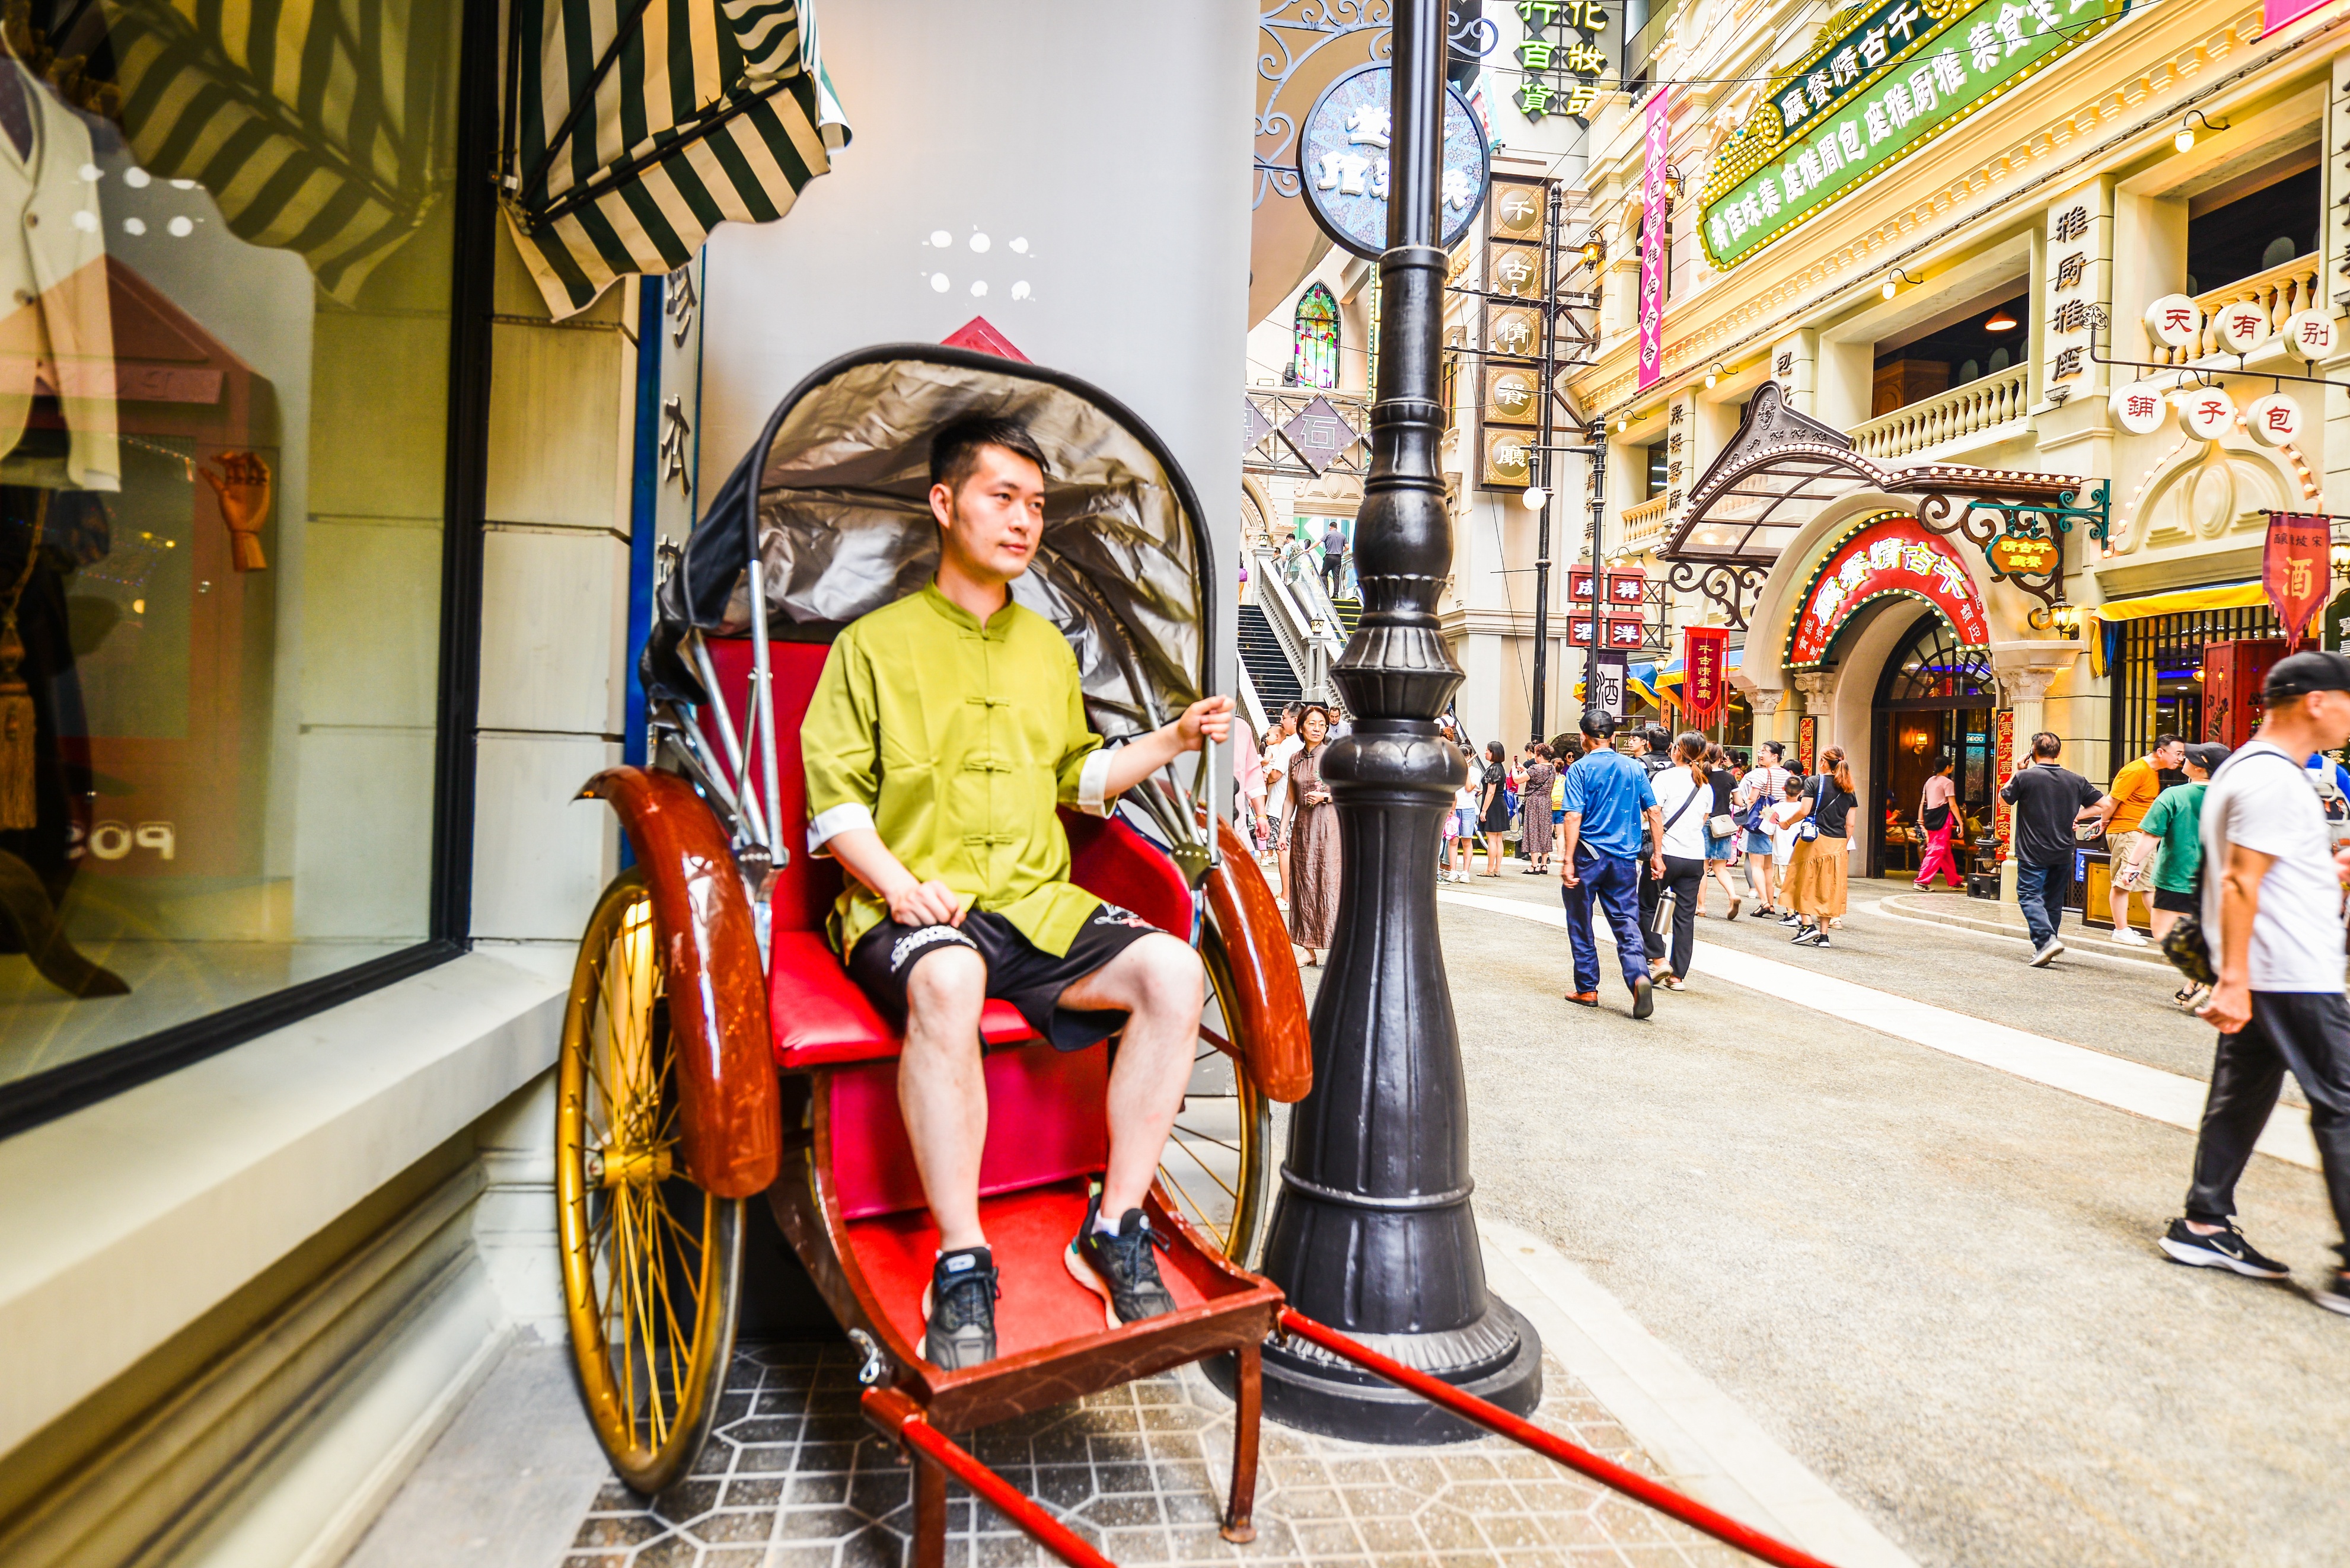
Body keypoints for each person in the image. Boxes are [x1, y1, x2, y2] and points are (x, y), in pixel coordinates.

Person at [802, 414, 1233, 1369]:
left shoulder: (1046, 650)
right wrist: (900, 887)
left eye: (1036, 504)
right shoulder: (869, 646)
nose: (1023, 520)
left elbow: (1077, 776)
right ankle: (962, 1259)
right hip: (915, 908)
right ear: (944, 503)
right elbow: (834, 808)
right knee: (949, 979)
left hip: (1034, 904)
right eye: (1002, 497)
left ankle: (1113, 1225)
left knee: (1171, 970)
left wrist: (1168, 738)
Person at [2160, 651, 2350, 1319]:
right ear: (2318, 701)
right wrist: (2235, 980)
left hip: (2273, 966)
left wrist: (2329, 870)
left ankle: (2204, 1224)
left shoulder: (2252, 768)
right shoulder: (2272, 778)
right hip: (2290, 970)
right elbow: (2242, 880)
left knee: (2241, 1095)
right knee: (2345, 1102)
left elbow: (2259, 871)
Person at [1560, 708, 1662, 1018]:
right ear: (1615, 736)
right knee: (1626, 921)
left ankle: (1587, 988)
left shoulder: (1579, 769)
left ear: (1583, 738)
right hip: (1624, 859)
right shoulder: (1634, 768)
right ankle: (1639, 976)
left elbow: (1573, 815)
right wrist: (1657, 854)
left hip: (1587, 856)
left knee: (1581, 920)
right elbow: (1655, 812)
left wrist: (1567, 860)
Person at [2123, 742, 2227, 1008]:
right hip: (2219, 880)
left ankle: (2206, 977)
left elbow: (2151, 835)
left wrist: (2132, 866)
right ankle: (2196, 984)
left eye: (2189, 757)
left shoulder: (2174, 795)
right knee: (2205, 931)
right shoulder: (2232, 797)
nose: (2183, 760)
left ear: (2200, 766)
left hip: (2177, 877)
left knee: (2164, 933)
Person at [1998, 731, 2105, 967]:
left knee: (2028, 896)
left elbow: (2003, 800)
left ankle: (2046, 941)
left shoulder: (2026, 778)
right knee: (2053, 901)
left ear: (2032, 752)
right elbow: (2105, 804)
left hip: (2033, 851)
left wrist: (2018, 772)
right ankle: (2047, 945)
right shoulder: (2075, 779)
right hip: (2064, 850)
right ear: (2058, 753)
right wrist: (2079, 814)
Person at [2086, 733, 2186, 946]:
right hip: (2128, 832)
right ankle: (2121, 930)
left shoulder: (2152, 771)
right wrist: (2103, 823)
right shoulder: (2136, 770)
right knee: (2124, 882)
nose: (2180, 759)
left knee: (2149, 885)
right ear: (2161, 752)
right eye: (2178, 754)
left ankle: (2168, 931)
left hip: (2140, 834)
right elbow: (2111, 800)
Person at [1647, 733, 1714, 990]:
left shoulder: (1664, 778)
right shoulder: (1704, 785)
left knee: (1647, 905)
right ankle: (1678, 976)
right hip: (1694, 856)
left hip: (1667, 852)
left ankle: (1659, 958)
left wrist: (1657, 853)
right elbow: (1703, 818)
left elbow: (1654, 812)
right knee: (1685, 917)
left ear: (1676, 750)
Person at [1783, 745, 1855, 948]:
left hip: (1813, 841)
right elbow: (1850, 824)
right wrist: (1842, 842)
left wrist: (1786, 823)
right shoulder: (1849, 787)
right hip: (1838, 843)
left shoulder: (1814, 782)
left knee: (1799, 880)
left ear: (1823, 761)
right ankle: (1824, 936)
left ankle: (1807, 924)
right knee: (1828, 887)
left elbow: (1804, 810)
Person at [1285, 703, 1341, 965]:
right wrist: (1282, 830)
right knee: (1304, 883)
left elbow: (1349, 791)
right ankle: (1308, 949)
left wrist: (1326, 796)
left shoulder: (1334, 756)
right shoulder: (1294, 759)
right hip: (1304, 830)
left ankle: (1338, 946)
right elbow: (1289, 799)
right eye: (1311, 723)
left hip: (1330, 830)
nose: (1317, 728)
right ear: (1301, 727)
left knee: (1330, 883)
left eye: (1322, 724)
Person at [1736, 741, 1790, 915]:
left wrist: (1744, 810)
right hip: (1778, 823)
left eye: (1764, 752)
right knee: (1769, 867)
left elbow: (1752, 799)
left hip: (1761, 821)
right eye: (1760, 751)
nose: (1760, 754)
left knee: (1757, 866)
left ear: (1775, 756)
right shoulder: (1787, 775)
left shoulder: (1760, 773)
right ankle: (1771, 902)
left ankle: (1764, 902)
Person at [1692, 742, 1743, 920]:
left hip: (1704, 822)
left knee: (1703, 868)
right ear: (1722, 758)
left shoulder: (1699, 775)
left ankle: (1702, 906)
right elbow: (1739, 802)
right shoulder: (1729, 777)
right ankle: (1732, 895)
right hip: (1723, 824)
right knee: (1720, 868)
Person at [1262, 703, 1303, 907]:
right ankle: (1290, 893)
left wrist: (1266, 780)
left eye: (1284, 717)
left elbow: (1276, 774)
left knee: (1283, 849)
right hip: (1300, 807)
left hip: (1281, 806)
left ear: (1295, 720)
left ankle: (1287, 896)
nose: (1281, 720)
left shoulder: (1289, 744)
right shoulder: (1306, 743)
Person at [1914, 752, 1965, 890]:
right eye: (1951, 765)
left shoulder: (1929, 781)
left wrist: (1921, 821)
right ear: (1948, 767)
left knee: (1945, 852)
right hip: (1943, 818)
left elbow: (1923, 802)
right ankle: (1922, 881)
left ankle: (1955, 882)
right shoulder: (1948, 783)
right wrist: (1960, 822)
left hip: (1930, 817)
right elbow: (1952, 804)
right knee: (1936, 849)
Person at [1520, 743, 1557, 874]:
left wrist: (1514, 770)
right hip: (1547, 802)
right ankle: (1544, 864)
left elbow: (1517, 780)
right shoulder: (1552, 768)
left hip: (1534, 802)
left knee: (1533, 830)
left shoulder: (1535, 768)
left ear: (1540, 756)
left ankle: (1534, 865)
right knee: (1545, 831)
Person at [1478, 739, 1512, 877]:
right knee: (1498, 839)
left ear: (1494, 753)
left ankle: (1489, 869)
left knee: (1491, 839)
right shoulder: (1500, 768)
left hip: (1492, 805)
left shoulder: (1493, 769)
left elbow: (1491, 792)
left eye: (1488, 750)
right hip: (1500, 803)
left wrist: (1484, 810)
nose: (1485, 752)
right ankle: (1497, 868)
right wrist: (1483, 791)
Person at [1446, 752, 1477, 884]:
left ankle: (1465, 872)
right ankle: (1453, 870)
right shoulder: (1454, 769)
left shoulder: (1475, 772)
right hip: (1454, 808)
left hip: (1468, 809)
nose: (1464, 759)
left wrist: (1466, 770)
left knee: (1467, 840)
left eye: (1466, 756)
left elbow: (1469, 788)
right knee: (1453, 839)